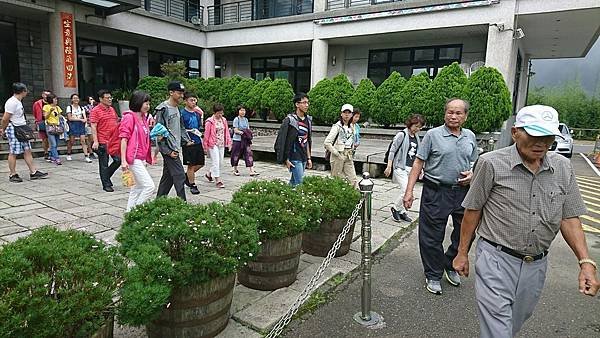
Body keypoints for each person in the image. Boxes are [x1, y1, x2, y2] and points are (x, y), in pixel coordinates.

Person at [453, 105, 599, 338]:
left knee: (514, 323)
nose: (542, 142)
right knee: (498, 329)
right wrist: (462, 253)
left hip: (537, 264)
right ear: (515, 132)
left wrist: (586, 262)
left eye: (548, 136)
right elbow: (473, 210)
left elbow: (569, 217)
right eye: (534, 135)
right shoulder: (490, 163)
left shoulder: (562, 167)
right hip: (496, 259)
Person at [403, 98, 478, 295]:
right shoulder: (433, 135)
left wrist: (472, 174)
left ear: (465, 116)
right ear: (444, 114)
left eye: (458, 113)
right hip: (436, 190)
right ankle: (433, 273)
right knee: (431, 235)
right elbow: (418, 163)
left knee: (467, 232)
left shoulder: (470, 136)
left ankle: (451, 263)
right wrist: (409, 191)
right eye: (450, 112)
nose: (453, 116)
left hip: (462, 192)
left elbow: (474, 163)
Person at [0, 82, 47, 182]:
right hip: (14, 128)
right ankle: (13, 174)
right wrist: (2, 129)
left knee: (27, 150)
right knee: (13, 152)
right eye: (26, 90)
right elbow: (5, 118)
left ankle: (33, 172)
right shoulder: (12, 102)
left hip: (21, 128)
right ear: (23, 91)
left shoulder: (18, 101)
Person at [384, 114, 425, 223]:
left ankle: (401, 211)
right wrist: (389, 166)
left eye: (419, 127)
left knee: (409, 190)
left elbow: (418, 154)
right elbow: (392, 150)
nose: (417, 129)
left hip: (411, 168)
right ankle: (395, 208)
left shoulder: (416, 137)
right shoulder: (401, 135)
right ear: (410, 124)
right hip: (400, 167)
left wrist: (420, 169)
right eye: (416, 126)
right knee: (406, 190)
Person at [155, 81, 192, 200]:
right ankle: (182, 203)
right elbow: (158, 132)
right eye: (179, 93)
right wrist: (167, 151)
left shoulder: (177, 108)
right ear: (171, 93)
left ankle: (159, 201)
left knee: (168, 177)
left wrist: (187, 140)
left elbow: (180, 127)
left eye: (182, 93)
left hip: (175, 146)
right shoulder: (163, 109)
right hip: (169, 149)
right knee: (180, 175)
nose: (181, 96)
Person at [119, 91, 154, 211]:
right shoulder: (129, 117)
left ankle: (129, 214)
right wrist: (123, 161)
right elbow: (124, 139)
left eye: (149, 103)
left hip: (141, 157)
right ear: (138, 102)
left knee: (137, 188)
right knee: (149, 186)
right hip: (133, 158)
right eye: (145, 103)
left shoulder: (144, 118)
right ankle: (136, 211)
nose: (148, 106)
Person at [274, 92, 313, 186]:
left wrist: (309, 158)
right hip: (294, 157)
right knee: (300, 183)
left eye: (308, 102)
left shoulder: (308, 120)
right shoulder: (290, 120)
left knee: (293, 182)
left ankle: (284, 197)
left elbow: (307, 140)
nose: (306, 105)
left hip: (303, 156)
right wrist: (285, 159)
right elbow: (281, 140)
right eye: (304, 102)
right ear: (297, 104)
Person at [90, 89, 121, 192]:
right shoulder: (95, 110)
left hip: (113, 140)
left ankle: (106, 177)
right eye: (107, 98)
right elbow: (93, 126)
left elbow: (116, 121)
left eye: (110, 97)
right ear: (100, 99)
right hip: (102, 140)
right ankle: (106, 184)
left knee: (118, 160)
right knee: (104, 163)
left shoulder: (112, 109)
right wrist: (95, 141)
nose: (110, 99)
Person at [324, 103, 358, 188]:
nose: (347, 115)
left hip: (348, 155)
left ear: (352, 114)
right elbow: (327, 143)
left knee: (352, 179)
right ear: (341, 113)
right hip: (338, 155)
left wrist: (353, 148)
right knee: (336, 179)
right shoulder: (337, 126)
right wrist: (337, 153)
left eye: (349, 112)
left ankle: (353, 198)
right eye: (345, 112)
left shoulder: (351, 126)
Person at [180, 91, 205, 195]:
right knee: (191, 164)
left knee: (200, 163)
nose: (194, 102)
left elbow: (199, 127)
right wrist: (185, 141)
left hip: (198, 141)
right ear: (185, 101)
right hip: (188, 142)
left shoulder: (197, 114)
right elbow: (180, 129)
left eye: (195, 100)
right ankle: (192, 184)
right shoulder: (181, 113)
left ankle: (186, 177)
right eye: (191, 100)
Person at [203, 103, 232, 188]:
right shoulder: (210, 121)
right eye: (218, 113)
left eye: (221, 113)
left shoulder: (223, 120)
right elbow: (206, 134)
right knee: (215, 162)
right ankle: (218, 180)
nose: (220, 115)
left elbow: (226, 132)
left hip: (221, 143)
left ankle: (209, 174)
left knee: (220, 162)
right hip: (213, 144)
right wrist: (205, 146)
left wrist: (229, 143)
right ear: (215, 112)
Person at [231, 105, 258, 177]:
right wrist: (242, 132)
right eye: (241, 110)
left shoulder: (246, 119)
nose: (243, 112)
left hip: (245, 140)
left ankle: (251, 170)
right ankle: (235, 169)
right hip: (237, 140)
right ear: (238, 111)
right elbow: (235, 130)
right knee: (236, 154)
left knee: (249, 154)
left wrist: (248, 133)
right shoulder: (236, 119)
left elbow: (248, 129)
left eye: (244, 110)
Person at [66, 94, 92, 163]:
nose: (76, 99)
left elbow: (84, 117)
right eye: (74, 98)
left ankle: (86, 156)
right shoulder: (69, 107)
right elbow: (70, 118)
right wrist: (80, 119)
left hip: (81, 125)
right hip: (73, 125)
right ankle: (68, 153)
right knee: (72, 141)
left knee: (83, 140)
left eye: (77, 98)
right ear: (71, 99)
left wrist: (84, 120)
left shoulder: (81, 108)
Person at [42, 93, 64, 165]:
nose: (56, 100)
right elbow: (45, 117)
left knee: (56, 143)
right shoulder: (46, 107)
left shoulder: (57, 108)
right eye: (55, 99)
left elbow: (60, 117)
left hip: (57, 127)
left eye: (56, 99)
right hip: (50, 126)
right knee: (53, 144)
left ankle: (52, 156)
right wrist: (50, 111)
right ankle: (57, 158)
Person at [32, 89, 51, 160]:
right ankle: (46, 152)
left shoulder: (51, 103)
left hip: (50, 122)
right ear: (42, 95)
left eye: (48, 95)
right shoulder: (37, 103)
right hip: (41, 122)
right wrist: (37, 121)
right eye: (46, 95)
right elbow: (34, 112)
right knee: (44, 139)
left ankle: (51, 151)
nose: (47, 96)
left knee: (51, 138)